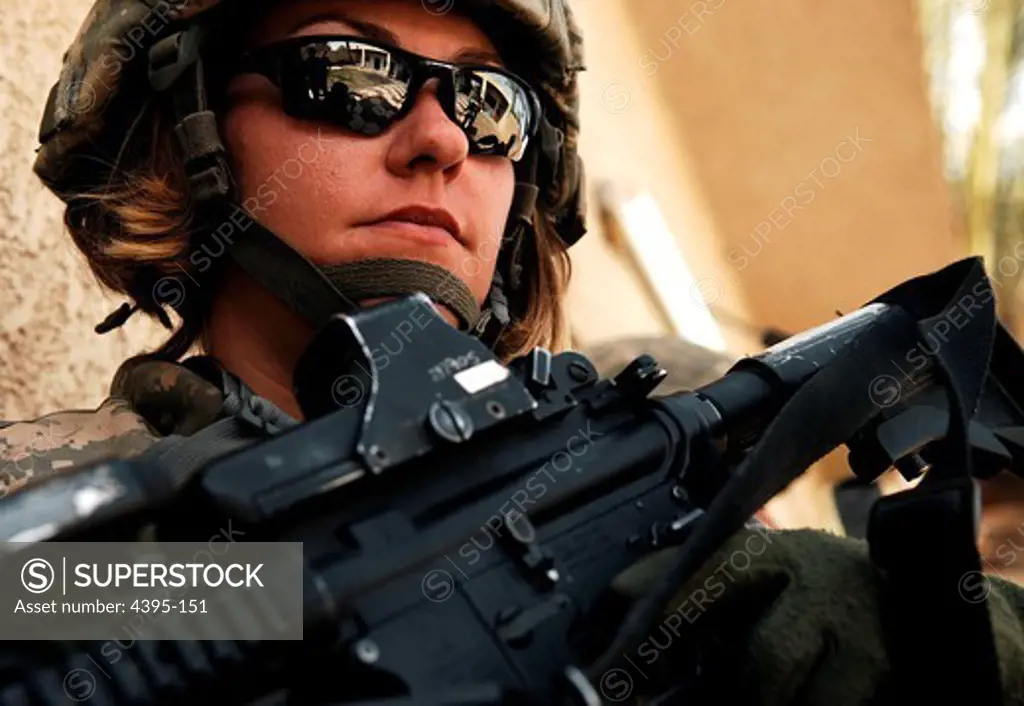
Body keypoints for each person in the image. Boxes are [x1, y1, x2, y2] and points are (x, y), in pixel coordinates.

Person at [5, 0, 1024, 703]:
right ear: (184, 134)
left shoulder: (655, 430)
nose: (443, 139)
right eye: (349, 72)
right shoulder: (54, 529)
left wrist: (930, 635)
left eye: (492, 105)